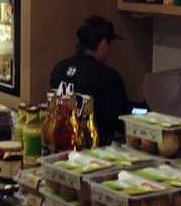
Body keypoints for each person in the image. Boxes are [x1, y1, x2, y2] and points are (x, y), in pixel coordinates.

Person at [49, 16, 130, 145]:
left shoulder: (59, 68)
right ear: (103, 44)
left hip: (60, 142)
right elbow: (121, 122)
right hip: (93, 146)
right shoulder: (108, 76)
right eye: (110, 45)